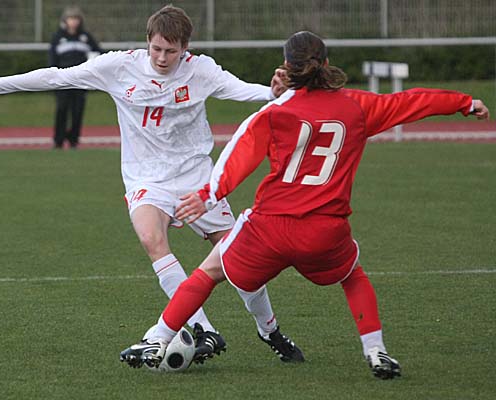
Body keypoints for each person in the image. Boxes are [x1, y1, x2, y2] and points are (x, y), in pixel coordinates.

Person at [119, 31, 490, 378]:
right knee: (352, 275)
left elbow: (238, 155)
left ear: (287, 67)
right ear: (325, 64)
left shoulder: (277, 111)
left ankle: (159, 338)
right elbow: (411, 101)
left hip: (269, 227)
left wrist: (207, 195)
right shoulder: (357, 106)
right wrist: (464, 102)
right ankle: (376, 350)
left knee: (208, 273)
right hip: (325, 230)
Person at [0, 6, 299, 364]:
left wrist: (274, 94)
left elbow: (242, 90)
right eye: (156, 49)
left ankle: (269, 329)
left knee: (240, 261)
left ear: (185, 48)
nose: (162, 58)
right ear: (147, 42)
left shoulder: (201, 70)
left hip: (196, 178)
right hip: (146, 178)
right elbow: (56, 77)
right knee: (151, 239)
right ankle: (202, 328)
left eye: (171, 51)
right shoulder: (118, 66)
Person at [49, 6, 103, 149]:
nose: (73, 22)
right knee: (61, 109)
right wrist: (52, 77)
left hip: (80, 80)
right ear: (65, 20)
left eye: (76, 19)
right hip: (62, 79)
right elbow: (52, 58)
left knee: (77, 110)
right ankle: (58, 140)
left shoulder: (86, 37)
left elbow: (98, 53)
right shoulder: (58, 37)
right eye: (70, 19)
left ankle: (73, 140)